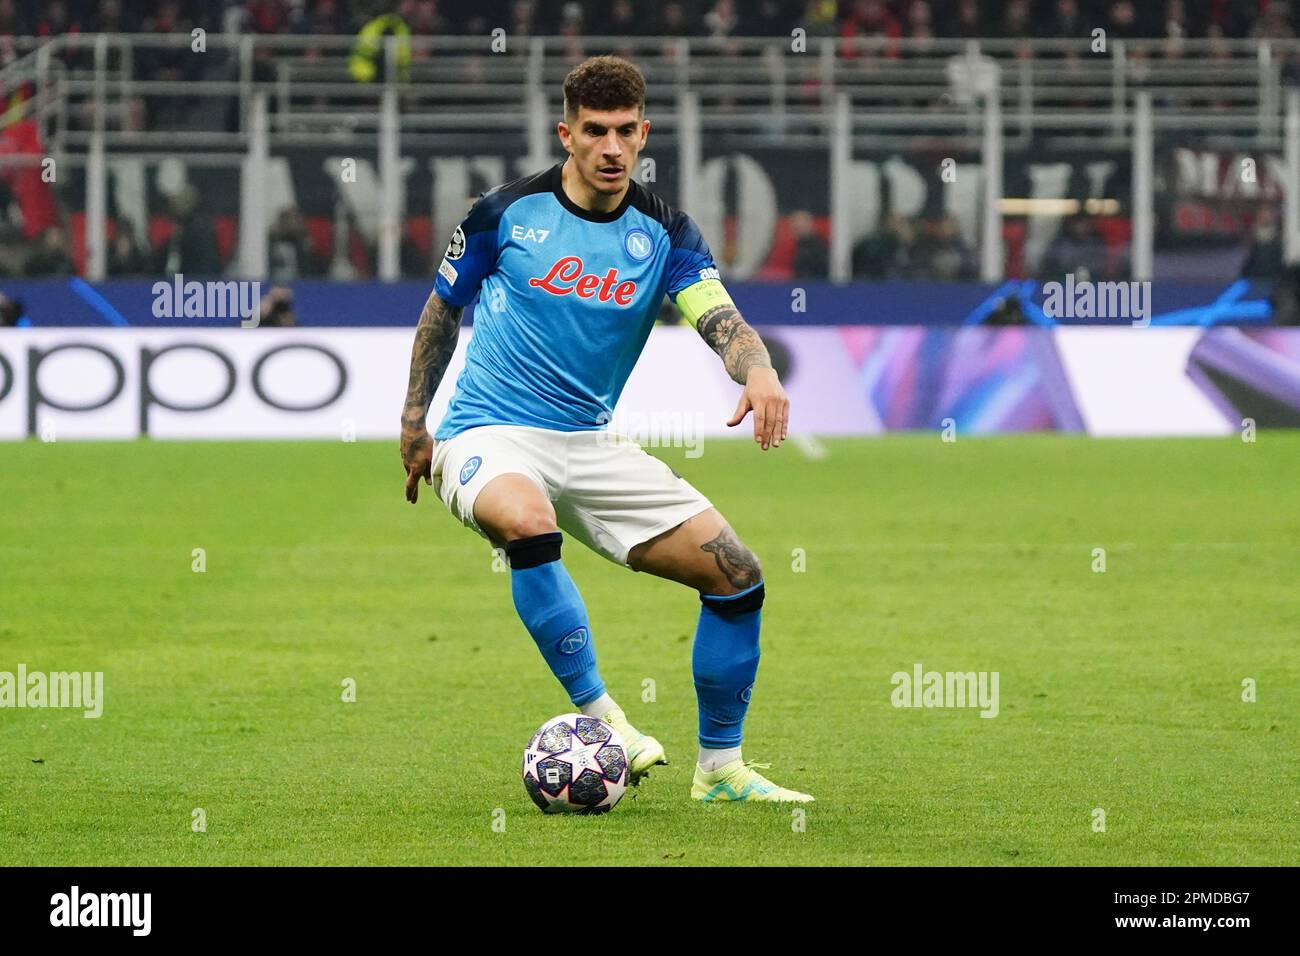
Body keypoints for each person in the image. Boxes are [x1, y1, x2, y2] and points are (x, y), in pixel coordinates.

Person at [399, 55, 812, 804]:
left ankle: (720, 769)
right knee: (526, 520)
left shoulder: (665, 232)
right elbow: (441, 313)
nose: (613, 148)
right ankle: (607, 721)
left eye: (627, 131)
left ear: (645, 132)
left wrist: (755, 369)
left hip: (588, 443)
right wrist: (414, 423)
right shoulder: (504, 213)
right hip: (486, 431)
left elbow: (716, 314)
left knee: (736, 574)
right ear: (568, 134)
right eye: (596, 132)